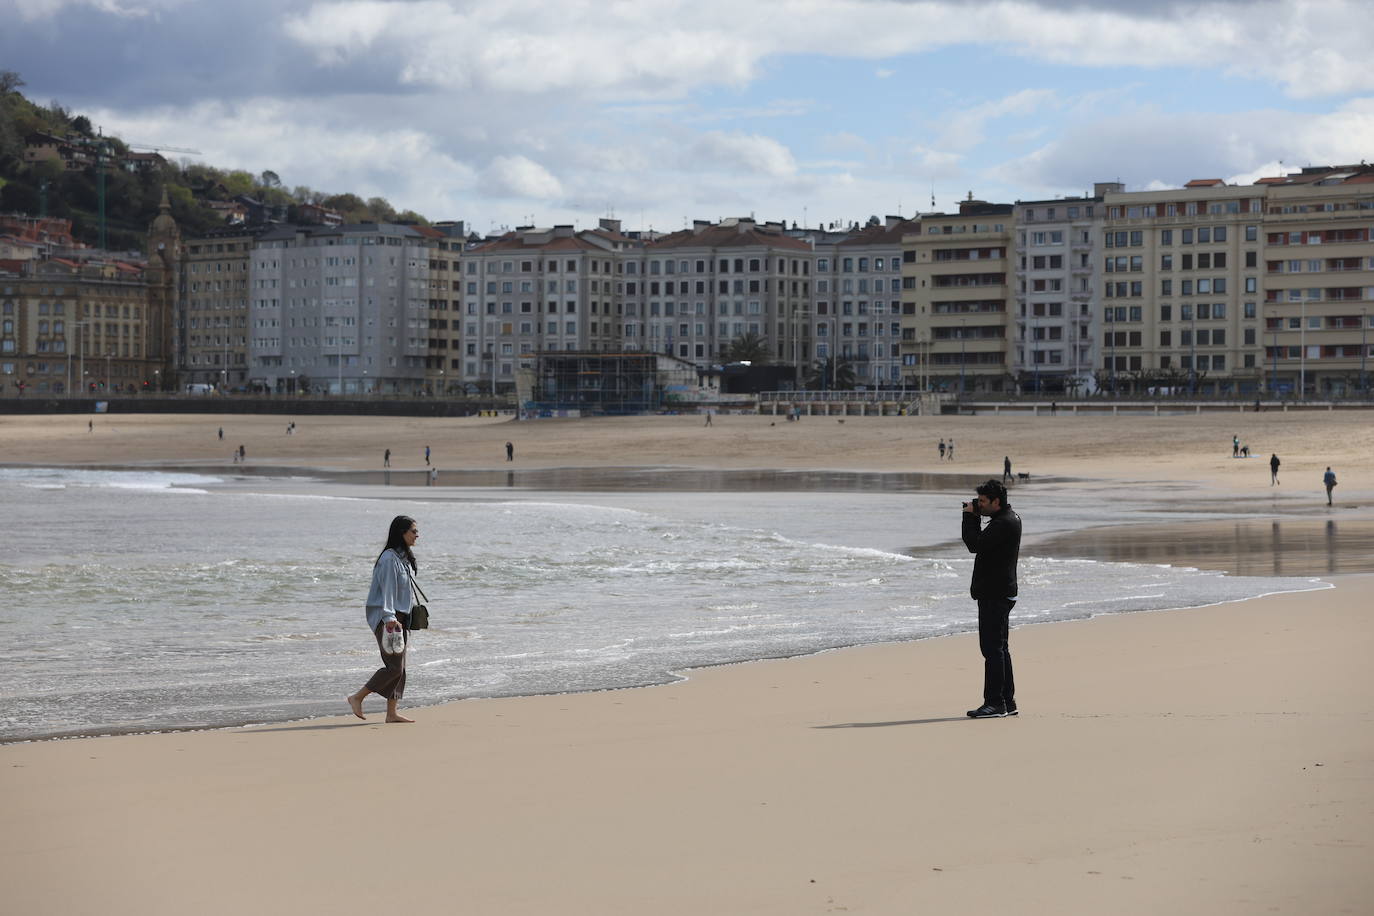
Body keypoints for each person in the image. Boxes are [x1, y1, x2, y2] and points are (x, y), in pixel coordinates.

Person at [348, 515, 422, 723]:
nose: (417, 535)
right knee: (394, 667)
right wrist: (389, 616)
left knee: (400, 667)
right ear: (401, 533)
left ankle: (391, 713)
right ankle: (357, 697)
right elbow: (387, 591)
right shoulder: (389, 559)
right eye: (414, 531)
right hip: (388, 618)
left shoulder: (403, 558)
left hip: (401, 618)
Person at [961, 479, 1022, 719]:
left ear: (996, 502)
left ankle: (995, 703)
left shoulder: (1003, 523)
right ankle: (1007, 700)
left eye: (983, 501)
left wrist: (969, 517)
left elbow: (974, 544)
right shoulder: (1007, 518)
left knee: (992, 649)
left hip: (995, 594)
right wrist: (976, 515)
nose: (979, 505)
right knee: (1000, 648)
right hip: (1001, 590)